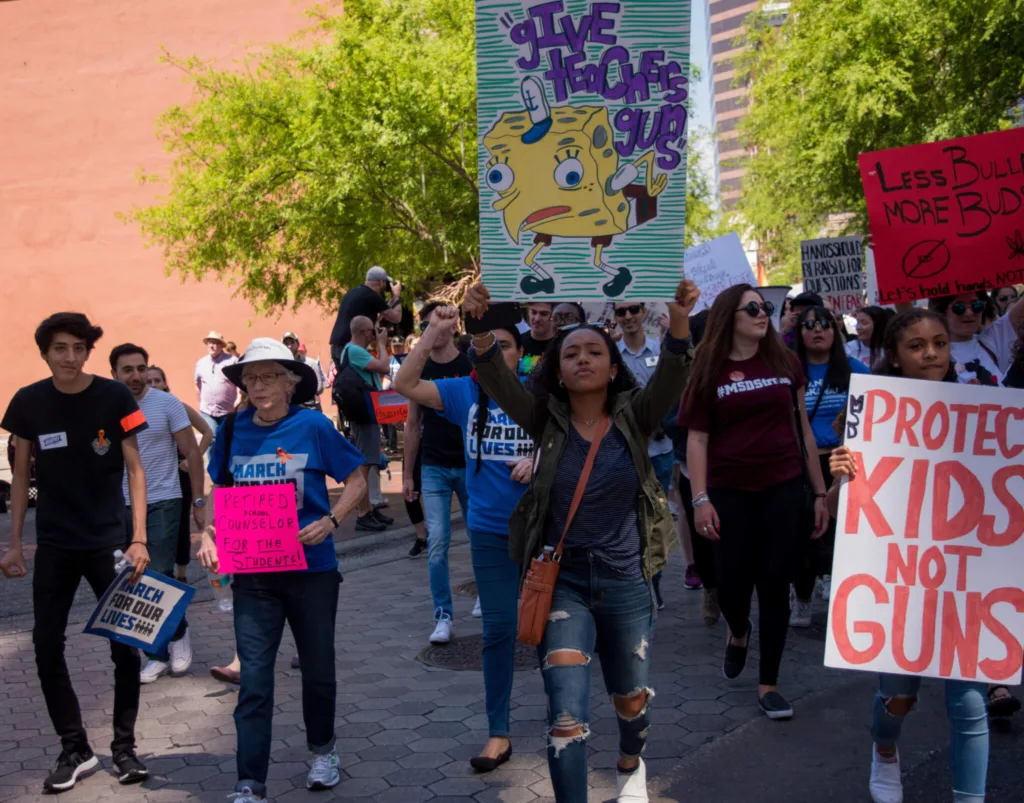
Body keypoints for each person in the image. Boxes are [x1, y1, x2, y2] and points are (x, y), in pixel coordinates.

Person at [464, 277, 699, 803]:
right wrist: (478, 327)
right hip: (563, 585)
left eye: (595, 351)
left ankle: (629, 762)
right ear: (558, 370)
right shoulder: (542, 419)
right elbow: (496, 377)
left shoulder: (636, 415)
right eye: (571, 353)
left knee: (632, 704)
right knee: (565, 717)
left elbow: (673, 372)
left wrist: (680, 319)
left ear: (613, 368)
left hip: (628, 583)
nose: (583, 359)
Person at [826, 308, 990, 803]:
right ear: (895, 357)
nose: (932, 353)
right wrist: (841, 477)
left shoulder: (986, 409)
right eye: (917, 346)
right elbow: (838, 512)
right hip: (900, 578)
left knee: (970, 704)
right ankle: (884, 749)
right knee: (898, 696)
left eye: (940, 343)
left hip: (969, 576)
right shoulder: (870, 415)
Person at [195, 338, 367, 802]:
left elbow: (357, 479)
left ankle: (323, 752)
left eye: (268, 376)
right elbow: (219, 488)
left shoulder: (312, 426)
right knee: (254, 679)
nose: (258, 386)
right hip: (253, 576)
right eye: (250, 378)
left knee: (318, 671)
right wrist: (208, 532)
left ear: (290, 383)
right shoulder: (232, 430)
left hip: (312, 571)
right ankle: (249, 782)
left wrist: (331, 521)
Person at [0, 313, 151, 792]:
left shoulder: (115, 396)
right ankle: (75, 749)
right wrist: (15, 545)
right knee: (47, 644)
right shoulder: (27, 402)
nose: (70, 357)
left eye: (79, 348)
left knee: (125, 646)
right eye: (60, 348)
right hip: (55, 545)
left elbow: (135, 469)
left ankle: (124, 748)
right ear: (45, 352)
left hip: (109, 543)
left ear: (88, 352)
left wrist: (140, 538)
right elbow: (20, 478)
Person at [395, 304, 532, 772]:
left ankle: (564, 721)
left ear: (520, 353)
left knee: (554, 629)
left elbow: (572, 436)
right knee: (498, 631)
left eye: (504, 345)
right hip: (490, 532)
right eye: (483, 345)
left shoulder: (539, 391)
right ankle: (498, 733)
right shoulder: (462, 391)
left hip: (543, 530)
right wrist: (434, 330)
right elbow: (405, 384)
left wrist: (538, 458)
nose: (493, 352)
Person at [682, 284, 828, 721]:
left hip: (783, 488)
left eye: (765, 306)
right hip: (728, 493)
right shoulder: (709, 370)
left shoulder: (785, 362)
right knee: (731, 584)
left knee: (775, 584)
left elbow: (803, 430)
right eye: (752, 308)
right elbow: (697, 439)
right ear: (729, 316)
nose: (763, 313)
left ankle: (769, 684)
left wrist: (820, 493)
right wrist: (700, 499)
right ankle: (739, 630)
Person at [110, 345, 205, 684]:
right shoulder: (106, 406)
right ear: (114, 374)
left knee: (160, 573)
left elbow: (192, 452)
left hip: (164, 499)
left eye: (141, 368)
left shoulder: (166, 404)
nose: (136, 375)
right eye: (127, 370)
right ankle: (158, 652)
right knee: (134, 577)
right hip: (120, 504)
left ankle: (174, 638)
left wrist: (198, 501)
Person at [788, 306, 870, 625]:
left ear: (835, 331)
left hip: (844, 466)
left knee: (840, 537)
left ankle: (842, 597)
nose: (818, 330)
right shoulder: (790, 372)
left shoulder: (855, 370)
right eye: (809, 325)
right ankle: (802, 596)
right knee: (805, 535)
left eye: (825, 324)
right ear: (800, 333)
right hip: (803, 466)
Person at [402, 302, 472, 644]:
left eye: (442, 321)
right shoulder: (421, 367)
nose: (436, 328)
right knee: (437, 541)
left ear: (454, 325)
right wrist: (407, 474)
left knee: (481, 536)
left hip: (471, 464)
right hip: (434, 466)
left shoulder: (469, 364)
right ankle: (443, 615)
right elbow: (412, 425)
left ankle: (486, 595)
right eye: (428, 324)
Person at [614, 301, 680, 607]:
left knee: (656, 521)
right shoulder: (612, 355)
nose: (628, 316)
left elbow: (674, 392)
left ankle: (654, 582)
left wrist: (659, 424)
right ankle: (635, 582)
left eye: (633, 310)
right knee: (628, 520)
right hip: (626, 450)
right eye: (621, 312)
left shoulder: (660, 349)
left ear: (643, 312)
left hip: (659, 451)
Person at [145, 366, 213, 582]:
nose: (153, 385)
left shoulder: (176, 406)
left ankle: (181, 574)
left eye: (157, 380)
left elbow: (207, 432)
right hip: (151, 476)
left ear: (165, 383)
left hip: (179, 474)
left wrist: (192, 459)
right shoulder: (137, 408)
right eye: (149, 381)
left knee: (181, 524)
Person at [341, 317, 393, 532]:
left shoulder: (350, 351)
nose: (374, 334)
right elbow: (384, 367)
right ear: (364, 332)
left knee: (369, 460)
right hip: (364, 411)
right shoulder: (355, 350)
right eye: (372, 331)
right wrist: (382, 343)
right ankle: (363, 513)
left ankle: (369, 508)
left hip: (364, 410)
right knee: (364, 462)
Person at [927, 290, 1024, 385]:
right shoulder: (930, 355)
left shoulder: (990, 341)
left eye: (976, 305)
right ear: (941, 311)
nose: (969, 312)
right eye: (959, 307)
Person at [328, 266, 403, 368]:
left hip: (337, 348)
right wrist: (397, 296)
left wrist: (390, 303)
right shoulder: (372, 296)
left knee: (347, 376)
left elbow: (372, 320)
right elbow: (396, 318)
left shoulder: (354, 292)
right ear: (381, 282)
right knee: (374, 372)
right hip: (351, 349)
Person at [194, 330, 239, 449]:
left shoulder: (232, 361)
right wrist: (200, 404)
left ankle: (227, 461)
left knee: (228, 440)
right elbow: (197, 385)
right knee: (211, 439)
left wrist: (238, 400)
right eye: (209, 343)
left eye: (215, 343)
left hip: (228, 411)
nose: (211, 346)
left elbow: (239, 384)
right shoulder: (201, 363)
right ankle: (212, 462)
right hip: (207, 411)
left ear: (221, 345)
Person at [282, 332, 328, 411]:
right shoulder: (281, 365)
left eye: (292, 342)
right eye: (286, 343)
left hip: (309, 408)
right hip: (287, 409)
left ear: (297, 344)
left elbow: (319, 388)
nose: (289, 346)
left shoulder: (310, 363)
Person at [519, 301, 556, 375]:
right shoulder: (517, 341)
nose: (537, 319)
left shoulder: (561, 343)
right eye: (533, 312)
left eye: (544, 314)